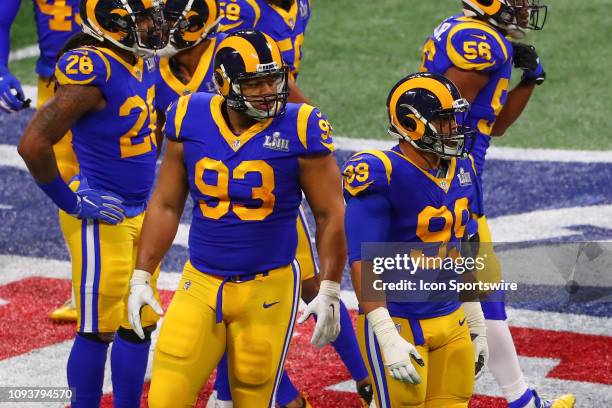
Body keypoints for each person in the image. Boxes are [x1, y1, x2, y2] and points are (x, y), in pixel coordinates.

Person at [127, 30, 346, 407]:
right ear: (224, 84)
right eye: (255, 83)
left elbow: (330, 214)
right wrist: (141, 275)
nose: (268, 91)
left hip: (268, 287)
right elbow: (165, 204)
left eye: (273, 80)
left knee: (252, 393)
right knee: (166, 394)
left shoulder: (300, 126)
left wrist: (329, 287)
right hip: (201, 279)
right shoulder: (189, 114)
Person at [212, 2, 372, 406]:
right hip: (236, 149)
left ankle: (362, 376)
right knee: (236, 282)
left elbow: (276, 82)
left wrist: (304, 116)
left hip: (269, 129)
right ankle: (245, 390)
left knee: (310, 280)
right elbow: (223, 84)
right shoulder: (238, 11)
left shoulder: (298, 5)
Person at [419, 1, 575, 406]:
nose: (525, 9)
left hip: (460, 176)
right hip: (451, 179)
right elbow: (439, 119)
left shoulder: (481, 35)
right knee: (476, 291)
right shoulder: (479, 42)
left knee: (476, 291)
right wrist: (450, 187)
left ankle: (520, 397)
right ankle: (519, 398)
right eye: (518, 1)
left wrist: (528, 80)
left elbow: (495, 123)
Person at [17, 0, 168, 406]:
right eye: (143, 20)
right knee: (97, 329)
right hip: (102, 212)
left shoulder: (140, 59)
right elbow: (32, 144)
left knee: (139, 320)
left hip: (140, 209)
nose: (153, 27)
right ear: (112, 24)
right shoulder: (91, 69)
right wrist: (71, 201)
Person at [343, 72, 488, 407]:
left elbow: (465, 248)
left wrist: (477, 320)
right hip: (399, 320)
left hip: (452, 319)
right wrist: (385, 333)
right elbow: (363, 261)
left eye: (454, 120)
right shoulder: (382, 171)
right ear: (412, 125)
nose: (455, 129)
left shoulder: (463, 167)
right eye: (444, 121)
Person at [0, 0, 82, 322]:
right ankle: (86, 286)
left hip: (116, 77)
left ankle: (132, 277)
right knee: (65, 182)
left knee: (116, 179)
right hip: (55, 80)